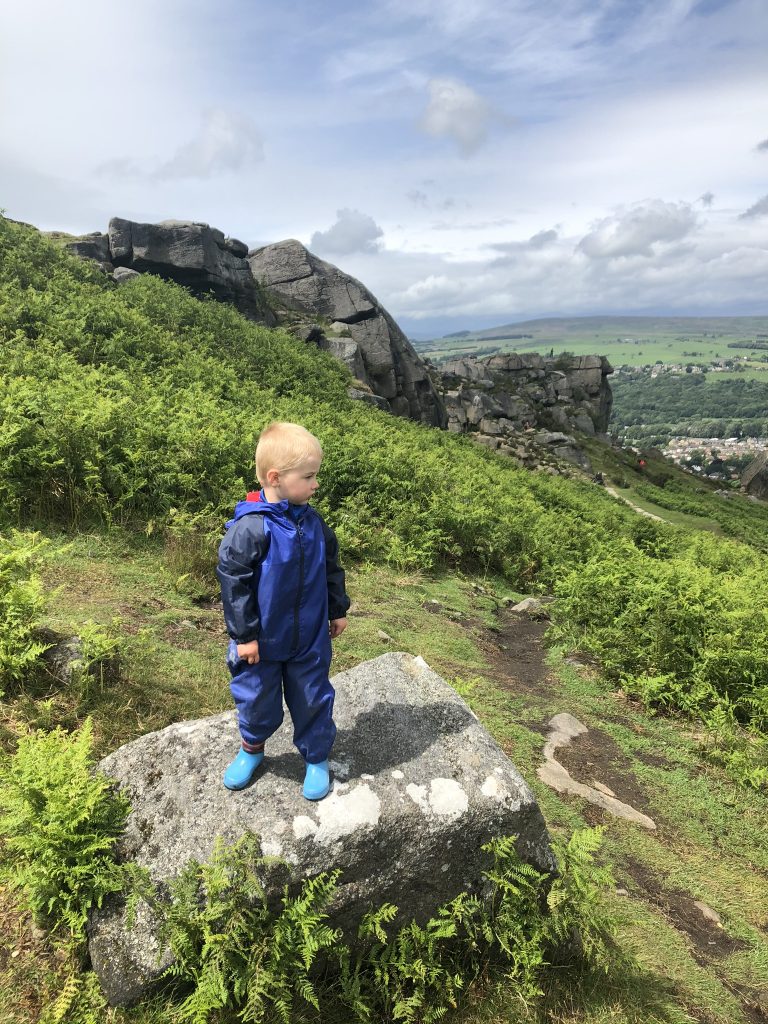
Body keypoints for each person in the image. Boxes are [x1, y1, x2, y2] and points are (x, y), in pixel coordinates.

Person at [216, 422, 350, 799]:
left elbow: (331, 567)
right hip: (261, 642)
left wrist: (337, 608)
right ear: (275, 478)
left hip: (309, 638)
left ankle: (316, 758)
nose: (315, 484)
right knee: (255, 699)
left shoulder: (314, 523)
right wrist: (244, 637)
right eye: (308, 476)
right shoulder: (250, 528)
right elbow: (234, 583)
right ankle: (252, 750)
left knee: (312, 697)